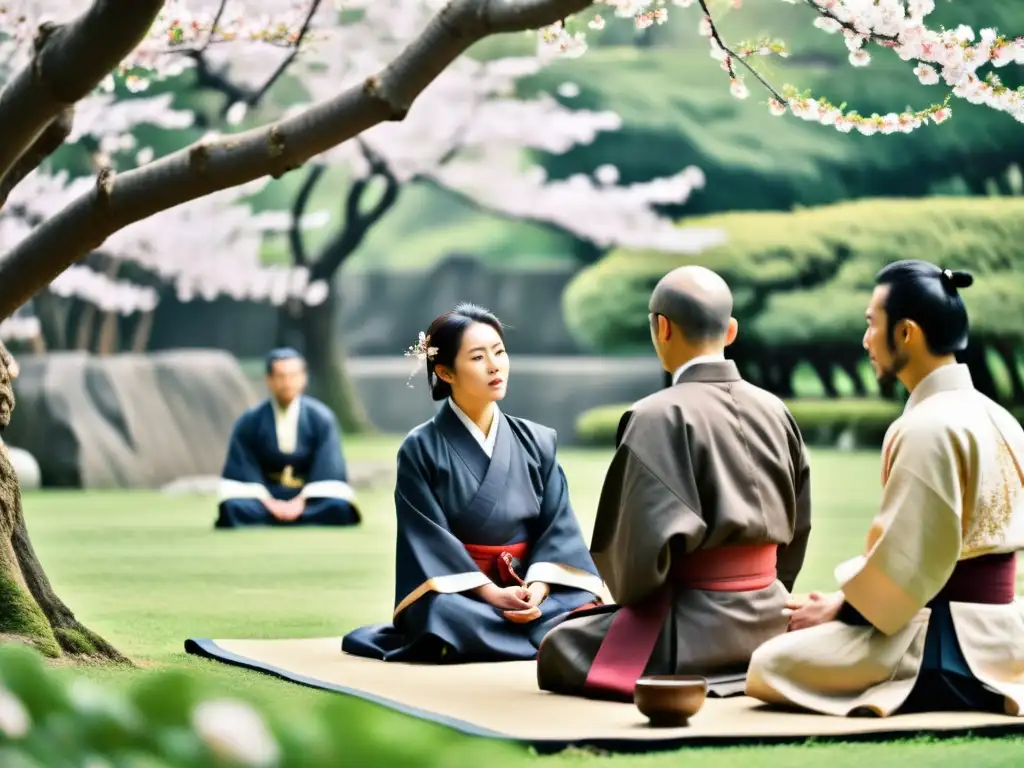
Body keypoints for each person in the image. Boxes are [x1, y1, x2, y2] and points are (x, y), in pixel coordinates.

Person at [746, 260, 1024, 717]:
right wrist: (841, 600)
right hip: (1004, 630)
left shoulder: (927, 427)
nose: (865, 340)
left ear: (906, 334)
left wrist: (838, 611)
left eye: (872, 325)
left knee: (770, 663)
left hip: (947, 638)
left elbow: (910, 563)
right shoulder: (998, 416)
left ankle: (939, 685)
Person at [536, 266, 812, 701]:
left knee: (560, 646)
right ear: (731, 330)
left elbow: (633, 569)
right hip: (772, 614)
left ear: (662, 328)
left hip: (693, 624)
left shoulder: (654, 416)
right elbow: (799, 527)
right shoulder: (776, 409)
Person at [342, 303, 604, 663]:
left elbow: (558, 529)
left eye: (499, 352)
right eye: (478, 357)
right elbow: (427, 539)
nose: (495, 365)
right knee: (441, 614)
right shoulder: (421, 449)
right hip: (464, 592)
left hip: (530, 586)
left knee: (584, 601)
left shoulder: (538, 441)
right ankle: (545, 636)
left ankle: (516, 631)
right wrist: (493, 595)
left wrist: (538, 588)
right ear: (446, 372)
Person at [215, 348, 361, 529]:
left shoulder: (321, 418)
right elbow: (243, 467)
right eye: (281, 376)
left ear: (303, 378)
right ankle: (292, 517)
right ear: (269, 380)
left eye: (293, 375)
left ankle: (284, 517)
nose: (287, 383)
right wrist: (271, 503)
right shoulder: (250, 421)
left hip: (308, 497)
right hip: (265, 496)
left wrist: (300, 502)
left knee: (338, 507)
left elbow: (328, 466)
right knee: (233, 508)